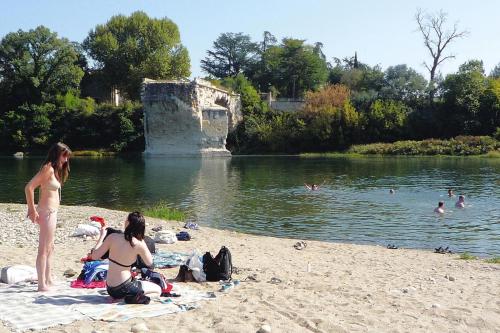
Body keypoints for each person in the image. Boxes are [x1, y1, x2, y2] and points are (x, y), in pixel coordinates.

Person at [25, 142, 71, 291]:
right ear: (57, 154)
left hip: (52, 212)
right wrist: (32, 210)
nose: (65, 160)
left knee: (50, 247)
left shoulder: (55, 170)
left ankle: (48, 278)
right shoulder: (47, 169)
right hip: (46, 212)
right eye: (64, 156)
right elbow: (29, 187)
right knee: (43, 249)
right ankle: (41, 285)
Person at [89, 212, 161, 300]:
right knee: (158, 290)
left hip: (110, 288)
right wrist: (142, 243)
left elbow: (94, 256)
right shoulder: (139, 243)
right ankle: (135, 298)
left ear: (128, 223)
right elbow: (149, 263)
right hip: (125, 286)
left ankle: (132, 296)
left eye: (126, 220)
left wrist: (102, 236)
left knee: (138, 284)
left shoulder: (112, 237)